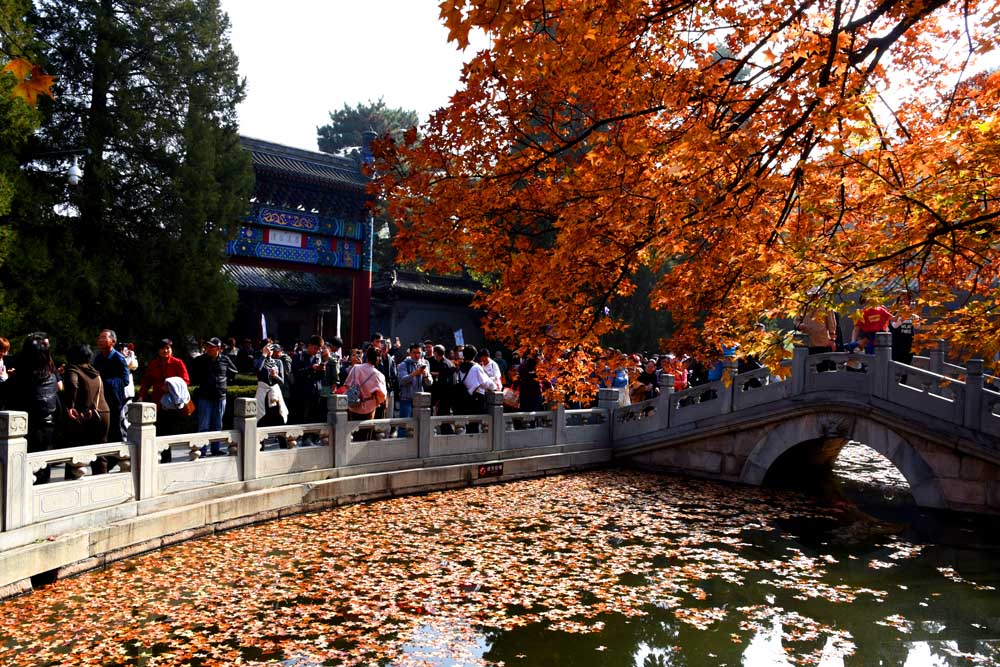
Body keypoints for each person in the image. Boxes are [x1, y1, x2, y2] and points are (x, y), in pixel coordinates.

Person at [5, 334, 60, 483]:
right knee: (43, 471)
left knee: (23, 477)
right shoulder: (51, 376)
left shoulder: (20, 378)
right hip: (47, 428)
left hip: (25, 431)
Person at [63, 344, 113, 474]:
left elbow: (73, 384)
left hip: (85, 414)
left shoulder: (73, 369)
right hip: (103, 412)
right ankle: (102, 482)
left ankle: (72, 485)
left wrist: (70, 406)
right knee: (100, 453)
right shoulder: (93, 370)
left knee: (75, 452)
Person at [139, 339, 191, 460]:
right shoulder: (153, 364)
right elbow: (146, 381)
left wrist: (171, 386)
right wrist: (141, 395)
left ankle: (168, 458)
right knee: (160, 429)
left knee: (170, 430)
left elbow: (186, 380)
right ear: (158, 351)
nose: (165, 351)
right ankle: (162, 457)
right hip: (158, 402)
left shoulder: (178, 363)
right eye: (163, 348)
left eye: (168, 348)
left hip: (173, 403)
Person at [189, 337, 238, 454]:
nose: (209, 348)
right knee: (204, 425)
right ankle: (202, 450)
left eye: (212, 347)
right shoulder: (200, 360)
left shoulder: (225, 360)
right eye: (208, 346)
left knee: (217, 425)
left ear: (219, 349)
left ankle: (215, 449)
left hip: (220, 397)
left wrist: (223, 382)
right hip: (205, 397)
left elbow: (234, 372)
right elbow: (193, 373)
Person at [93, 329, 132, 443]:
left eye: (104, 338)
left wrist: (106, 382)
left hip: (114, 399)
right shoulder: (98, 358)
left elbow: (125, 380)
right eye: (99, 338)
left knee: (115, 427)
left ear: (113, 342)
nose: (100, 340)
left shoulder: (118, 358)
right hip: (101, 398)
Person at [341, 346, 387, 440]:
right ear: (378, 360)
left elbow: (347, 385)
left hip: (353, 404)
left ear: (366, 357)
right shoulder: (378, 375)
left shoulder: (355, 368)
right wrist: (376, 402)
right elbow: (382, 395)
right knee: (366, 435)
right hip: (368, 407)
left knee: (353, 433)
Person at [455, 345, 498, 433]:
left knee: (468, 424)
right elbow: (486, 383)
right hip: (476, 399)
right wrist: (495, 387)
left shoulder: (460, 367)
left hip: (465, 398)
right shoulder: (476, 367)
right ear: (475, 355)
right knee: (475, 425)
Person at [291, 334, 327, 424]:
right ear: (309, 345)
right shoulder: (298, 356)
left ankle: (311, 437)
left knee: (314, 418)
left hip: (315, 393)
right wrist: (311, 368)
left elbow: (321, 378)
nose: (317, 351)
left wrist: (322, 370)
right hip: (301, 393)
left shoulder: (318, 357)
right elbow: (296, 373)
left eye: (319, 349)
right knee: (300, 418)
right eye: (315, 348)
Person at [254, 342, 288, 427]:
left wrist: (275, 376)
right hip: (263, 393)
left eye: (271, 348)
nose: (270, 350)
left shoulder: (278, 362)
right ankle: (261, 439)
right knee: (261, 418)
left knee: (278, 416)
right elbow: (257, 369)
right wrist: (264, 355)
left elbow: (282, 381)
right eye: (267, 348)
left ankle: (279, 438)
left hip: (274, 394)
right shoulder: (258, 360)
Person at [398, 343, 433, 419]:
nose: (417, 355)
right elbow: (402, 381)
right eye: (414, 353)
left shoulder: (424, 364)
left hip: (420, 399)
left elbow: (430, 383)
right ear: (410, 353)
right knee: (404, 425)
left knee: (419, 425)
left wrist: (426, 376)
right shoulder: (403, 364)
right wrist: (414, 374)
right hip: (406, 399)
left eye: (419, 353)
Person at [370, 333, 398, 420]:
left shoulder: (389, 358)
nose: (381, 344)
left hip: (388, 389)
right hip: (374, 390)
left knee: (388, 415)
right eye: (378, 341)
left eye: (382, 342)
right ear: (372, 343)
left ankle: (387, 432)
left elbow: (393, 375)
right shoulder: (370, 354)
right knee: (376, 414)